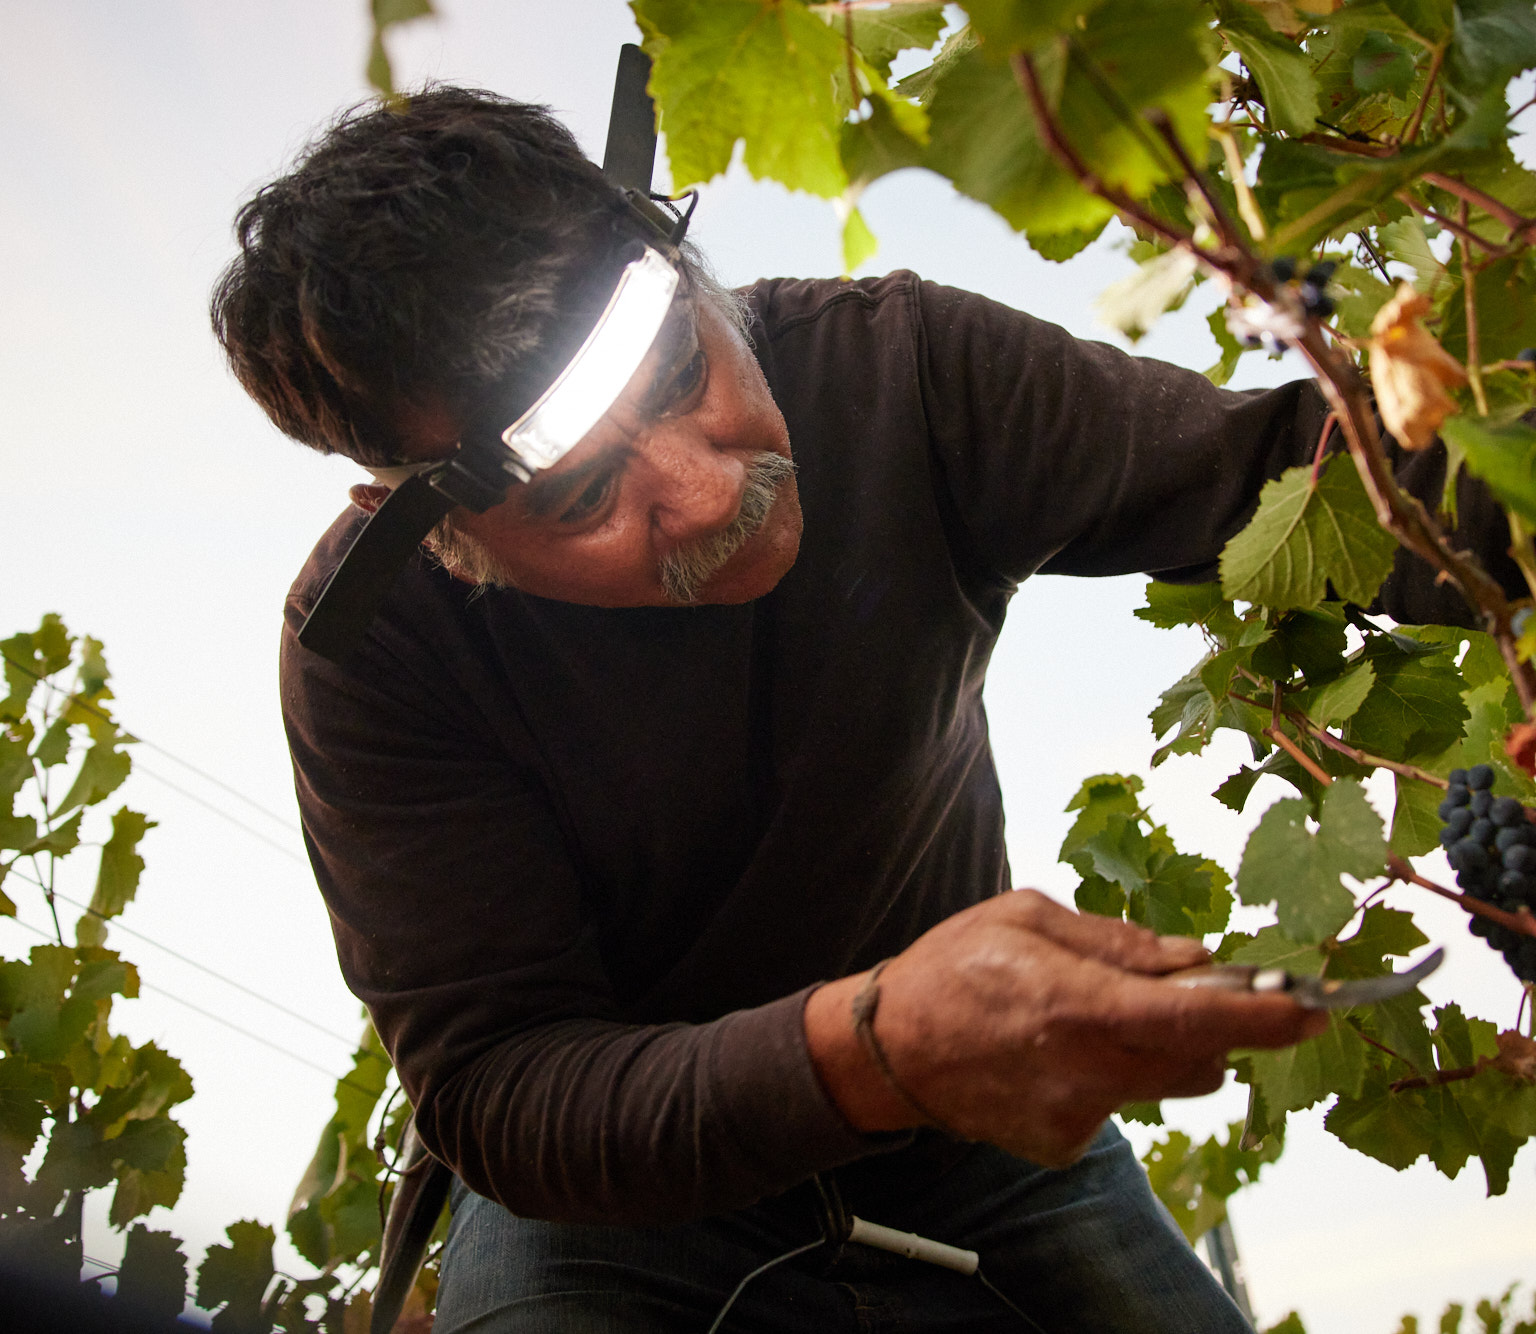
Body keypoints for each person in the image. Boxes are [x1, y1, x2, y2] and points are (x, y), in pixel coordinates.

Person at [214, 88, 1332, 1333]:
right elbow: (501, 1083)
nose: (709, 490)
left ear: (685, 268)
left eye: (685, 367)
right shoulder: (377, 657)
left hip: (981, 1136)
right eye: (583, 499)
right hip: (614, 1202)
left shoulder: (898, 371)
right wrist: (875, 1043)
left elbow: (1287, 475)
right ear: (429, 531)